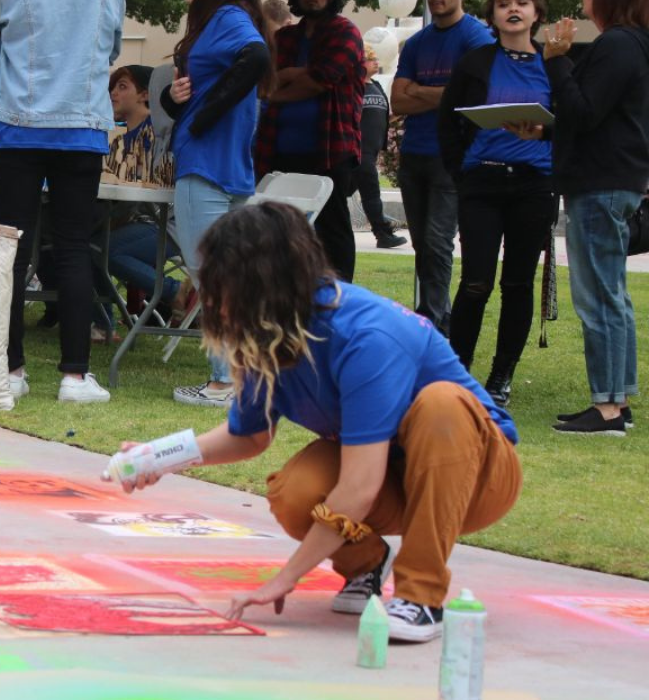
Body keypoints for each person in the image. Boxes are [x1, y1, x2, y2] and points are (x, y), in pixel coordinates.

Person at [113, 202, 521, 644]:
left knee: (441, 404)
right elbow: (247, 434)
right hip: (394, 474)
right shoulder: (269, 333)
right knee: (295, 492)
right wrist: (158, 456)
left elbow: (360, 488)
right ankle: (364, 567)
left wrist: (286, 577)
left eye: (222, 283)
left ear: (263, 284)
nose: (211, 297)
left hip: (475, 477)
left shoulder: (366, 335)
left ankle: (420, 595)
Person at [0, 0, 126, 404]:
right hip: (80, 124)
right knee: (74, 248)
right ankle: (75, 375)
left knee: (11, 250)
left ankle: (10, 369)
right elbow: (112, 46)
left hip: (17, 121)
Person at [438, 0, 557, 408]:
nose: (513, 9)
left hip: (534, 185)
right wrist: (462, 173)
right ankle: (456, 371)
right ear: (492, 16)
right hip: (482, 181)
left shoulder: (554, 64)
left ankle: (501, 376)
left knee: (518, 284)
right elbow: (447, 123)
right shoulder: (475, 62)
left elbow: (574, 120)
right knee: (476, 281)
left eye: (522, 3)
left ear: (537, 13)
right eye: (503, 3)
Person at [543, 0, 649, 435]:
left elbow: (584, 111)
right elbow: (606, 116)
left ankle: (607, 408)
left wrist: (557, 61)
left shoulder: (618, 45)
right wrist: (544, 128)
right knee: (613, 294)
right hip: (617, 178)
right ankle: (617, 400)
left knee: (599, 297)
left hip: (599, 183)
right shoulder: (635, 44)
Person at [161, 0, 272, 408]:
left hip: (205, 165)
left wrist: (205, 115)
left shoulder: (226, 16)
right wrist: (177, 99)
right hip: (231, 167)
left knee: (210, 277)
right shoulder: (230, 19)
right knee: (228, 278)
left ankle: (224, 382)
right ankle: (239, 378)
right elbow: (193, 96)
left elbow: (257, 56)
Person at [393, 0, 495, 334]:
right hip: (414, 153)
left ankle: (434, 322)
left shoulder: (476, 37)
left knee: (438, 243)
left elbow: (475, 96)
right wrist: (446, 93)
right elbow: (398, 100)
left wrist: (419, 90)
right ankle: (438, 317)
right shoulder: (417, 43)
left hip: (450, 155)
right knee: (423, 245)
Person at [256, 0, 366, 282]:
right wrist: (287, 77)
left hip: (330, 151)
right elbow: (263, 81)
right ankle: (285, 305)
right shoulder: (284, 38)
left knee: (333, 234)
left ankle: (340, 303)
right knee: (279, 236)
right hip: (277, 151)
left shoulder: (347, 33)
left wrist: (282, 83)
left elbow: (320, 80)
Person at [104, 64, 185, 321]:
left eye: (122, 86)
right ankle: (99, 318)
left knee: (104, 249)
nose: (113, 93)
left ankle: (178, 292)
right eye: (112, 88)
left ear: (146, 94)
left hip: (167, 222)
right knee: (87, 240)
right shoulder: (119, 141)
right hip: (140, 219)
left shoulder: (158, 135)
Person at [356, 48, 408, 249]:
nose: (376, 62)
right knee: (371, 193)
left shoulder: (376, 86)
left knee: (348, 192)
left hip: (372, 149)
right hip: (358, 149)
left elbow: (380, 115)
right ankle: (383, 233)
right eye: (371, 59)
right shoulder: (354, 87)